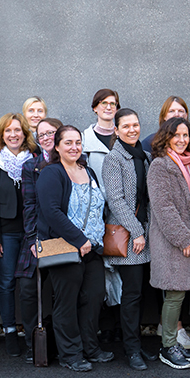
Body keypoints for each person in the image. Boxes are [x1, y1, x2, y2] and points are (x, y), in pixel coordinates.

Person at [36, 126, 106, 372]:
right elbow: (51, 212)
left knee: (94, 297)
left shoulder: (88, 171)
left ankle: (90, 347)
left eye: (78, 142)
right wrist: (79, 239)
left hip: (93, 248)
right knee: (66, 302)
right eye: (68, 143)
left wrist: (94, 240)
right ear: (57, 146)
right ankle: (70, 354)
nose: (74, 147)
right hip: (66, 247)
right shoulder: (51, 174)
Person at [147, 117, 190, 369]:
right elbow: (164, 208)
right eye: (176, 135)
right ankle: (168, 346)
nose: (182, 140)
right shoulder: (160, 165)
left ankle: (172, 343)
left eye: (185, 135)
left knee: (177, 295)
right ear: (165, 137)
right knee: (173, 295)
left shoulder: (186, 164)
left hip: (185, 237)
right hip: (172, 241)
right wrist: (183, 238)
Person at [102, 108, 154, 371]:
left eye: (136, 125)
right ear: (117, 130)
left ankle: (137, 344)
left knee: (141, 293)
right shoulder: (114, 159)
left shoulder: (144, 156)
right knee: (131, 294)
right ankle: (132, 350)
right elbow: (116, 201)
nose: (132, 130)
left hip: (145, 234)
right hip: (131, 236)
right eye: (126, 126)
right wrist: (137, 232)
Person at [0, 113, 36, 357]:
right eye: (8, 131)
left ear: (24, 133)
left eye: (17, 130)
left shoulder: (33, 160)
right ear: (1, 136)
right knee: (5, 283)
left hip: (30, 232)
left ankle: (31, 332)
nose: (13, 135)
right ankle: (10, 333)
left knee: (29, 285)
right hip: (5, 234)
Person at [82, 88, 123, 344]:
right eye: (103, 103)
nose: (108, 107)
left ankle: (117, 327)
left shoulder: (124, 137)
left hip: (121, 214)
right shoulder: (85, 140)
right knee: (100, 271)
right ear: (95, 107)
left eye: (113, 103)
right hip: (95, 215)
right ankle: (102, 326)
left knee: (119, 269)